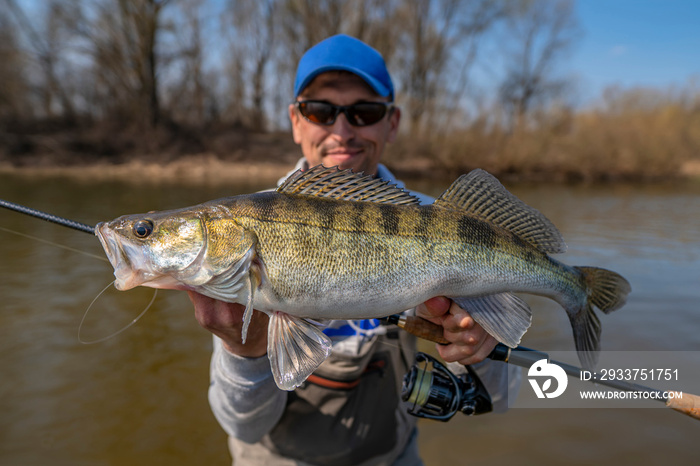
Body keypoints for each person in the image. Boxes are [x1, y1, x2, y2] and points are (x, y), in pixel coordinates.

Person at [189, 34, 519, 466]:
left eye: (364, 112)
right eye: (320, 111)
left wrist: (478, 346)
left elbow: (500, 396)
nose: (342, 132)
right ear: (295, 121)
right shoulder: (247, 224)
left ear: (392, 122)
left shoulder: (439, 221)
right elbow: (243, 426)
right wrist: (244, 350)